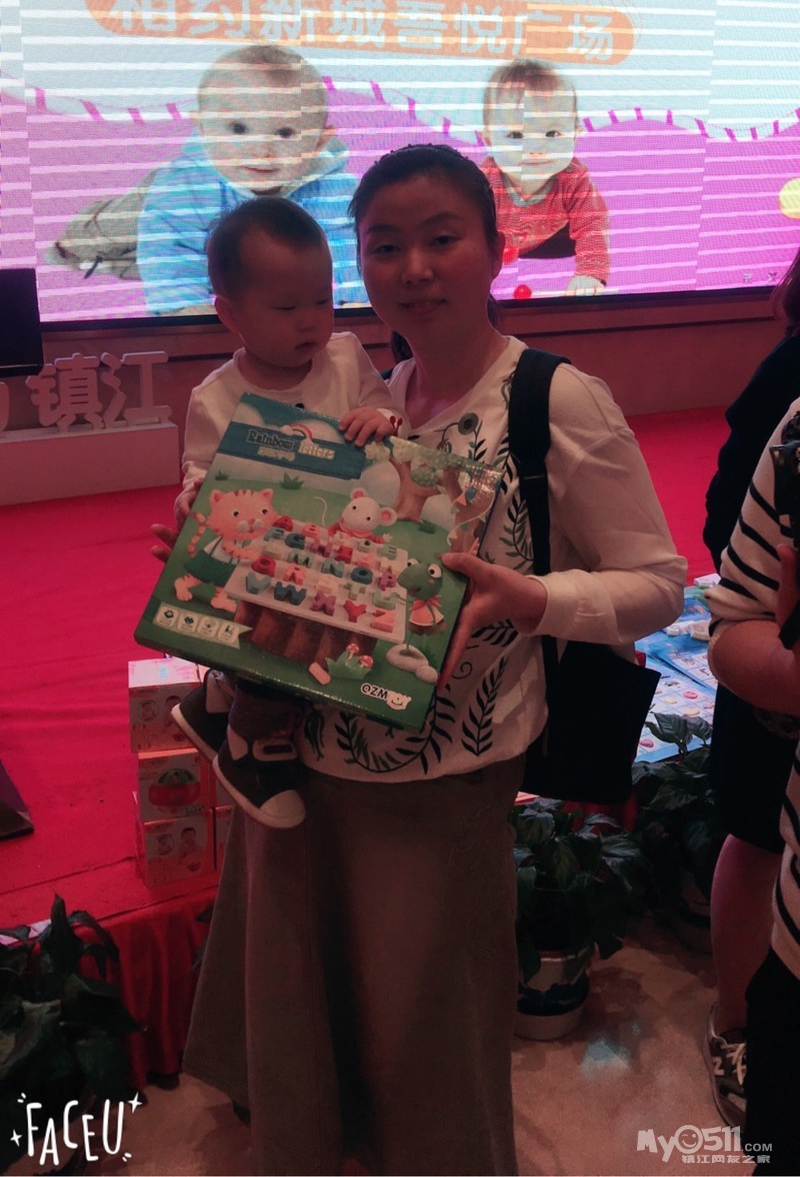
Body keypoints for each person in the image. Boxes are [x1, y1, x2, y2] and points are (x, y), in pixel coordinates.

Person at [181, 143, 685, 1175]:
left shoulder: (552, 399)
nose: (413, 268)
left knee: (431, 1061)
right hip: (299, 775)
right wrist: (211, 573)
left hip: (440, 784)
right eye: (385, 246)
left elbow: (657, 584)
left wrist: (534, 598)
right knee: (312, 1034)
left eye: (441, 238)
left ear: (495, 249)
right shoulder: (367, 397)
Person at [169, 196, 400, 828]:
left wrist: (381, 418)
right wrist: (194, 497)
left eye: (322, 301)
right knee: (271, 631)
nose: (311, 322)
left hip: (339, 537)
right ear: (230, 313)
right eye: (286, 308)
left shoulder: (345, 358)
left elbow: (391, 415)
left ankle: (214, 702)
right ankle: (250, 745)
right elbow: (199, 474)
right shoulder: (216, 397)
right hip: (264, 545)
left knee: (331, 624)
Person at [701, 248, 800, 1126]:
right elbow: (729, 541)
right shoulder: (792, 388)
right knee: (756, 832)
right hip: (776, 683)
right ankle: (735, 1024)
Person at [136, 44, 363, 314]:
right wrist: (188, 307)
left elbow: (351, 246)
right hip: (171, 208)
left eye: (285, 133)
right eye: (238, 128)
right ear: (203, 128)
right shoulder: (183, 185)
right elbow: (169, 251)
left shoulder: (333, 189)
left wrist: (357, 300)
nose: (261, 151)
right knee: (118, 232)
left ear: (319, 142)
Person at [480, 58, 610, 295]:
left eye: (552, 133)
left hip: (555, 242)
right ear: (488, 141)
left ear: (575, 135)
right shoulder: (483, 182)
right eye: (516, 135)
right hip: (502, 246)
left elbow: (592, 225)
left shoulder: (574, 179)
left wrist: (590, 274)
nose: (535, 148)